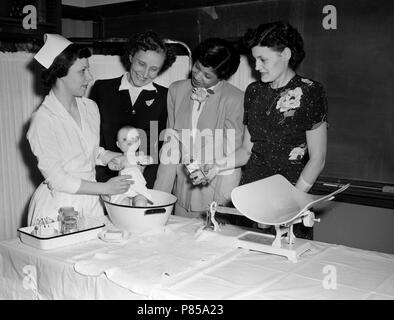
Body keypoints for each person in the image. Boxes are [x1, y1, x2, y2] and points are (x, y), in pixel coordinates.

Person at [196, 21, 328, 239]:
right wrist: (215, 166)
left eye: (262, 59)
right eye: (254, 59)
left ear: (285, 54)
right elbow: (247, 150)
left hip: (290, 201)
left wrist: (292, 202)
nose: (256, 67)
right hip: (251, 198)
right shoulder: (254, 91)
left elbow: (318, 158)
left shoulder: (311, 91)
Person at [27, 34, 133, 226]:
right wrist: (105, 188)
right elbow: (57, 179)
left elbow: (91, 151)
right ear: (60, 73)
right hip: (58, 208)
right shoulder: (43, 120)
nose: (90, 77)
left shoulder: (90, 107)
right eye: (82, 71)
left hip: (91, 204)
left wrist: (113, 158)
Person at [153, 38, 244, 218]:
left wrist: (221, 205)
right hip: (181, 192)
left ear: (222, 76)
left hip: (215, 192)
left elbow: (231, 153)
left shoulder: (235, 98)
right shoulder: (176, 90)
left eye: (207, 75)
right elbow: (170, 149)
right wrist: (158, 198)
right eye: (197, 67)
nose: (197, 76)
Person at [89, 30, 176, 189]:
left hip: (145, 182)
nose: (145, 73)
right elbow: (90, 136)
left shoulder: (166, 96)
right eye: (141, 64)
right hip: (105, 180)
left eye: (154, 69)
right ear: (130, 57)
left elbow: (164, 144)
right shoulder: (102, 88)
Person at [110, 126, 153, 206]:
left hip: (138, 188)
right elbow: (111, 163)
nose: (129, 141)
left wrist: (147, 160)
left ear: (139, 142)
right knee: (123, 203)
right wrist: (115, 166)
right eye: (124, 139)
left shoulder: (139, 156)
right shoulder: (121, 158)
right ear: (118, 144)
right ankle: (126, 215)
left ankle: (139, 215)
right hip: (123, 188)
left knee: (141, 202)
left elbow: (149, 159)